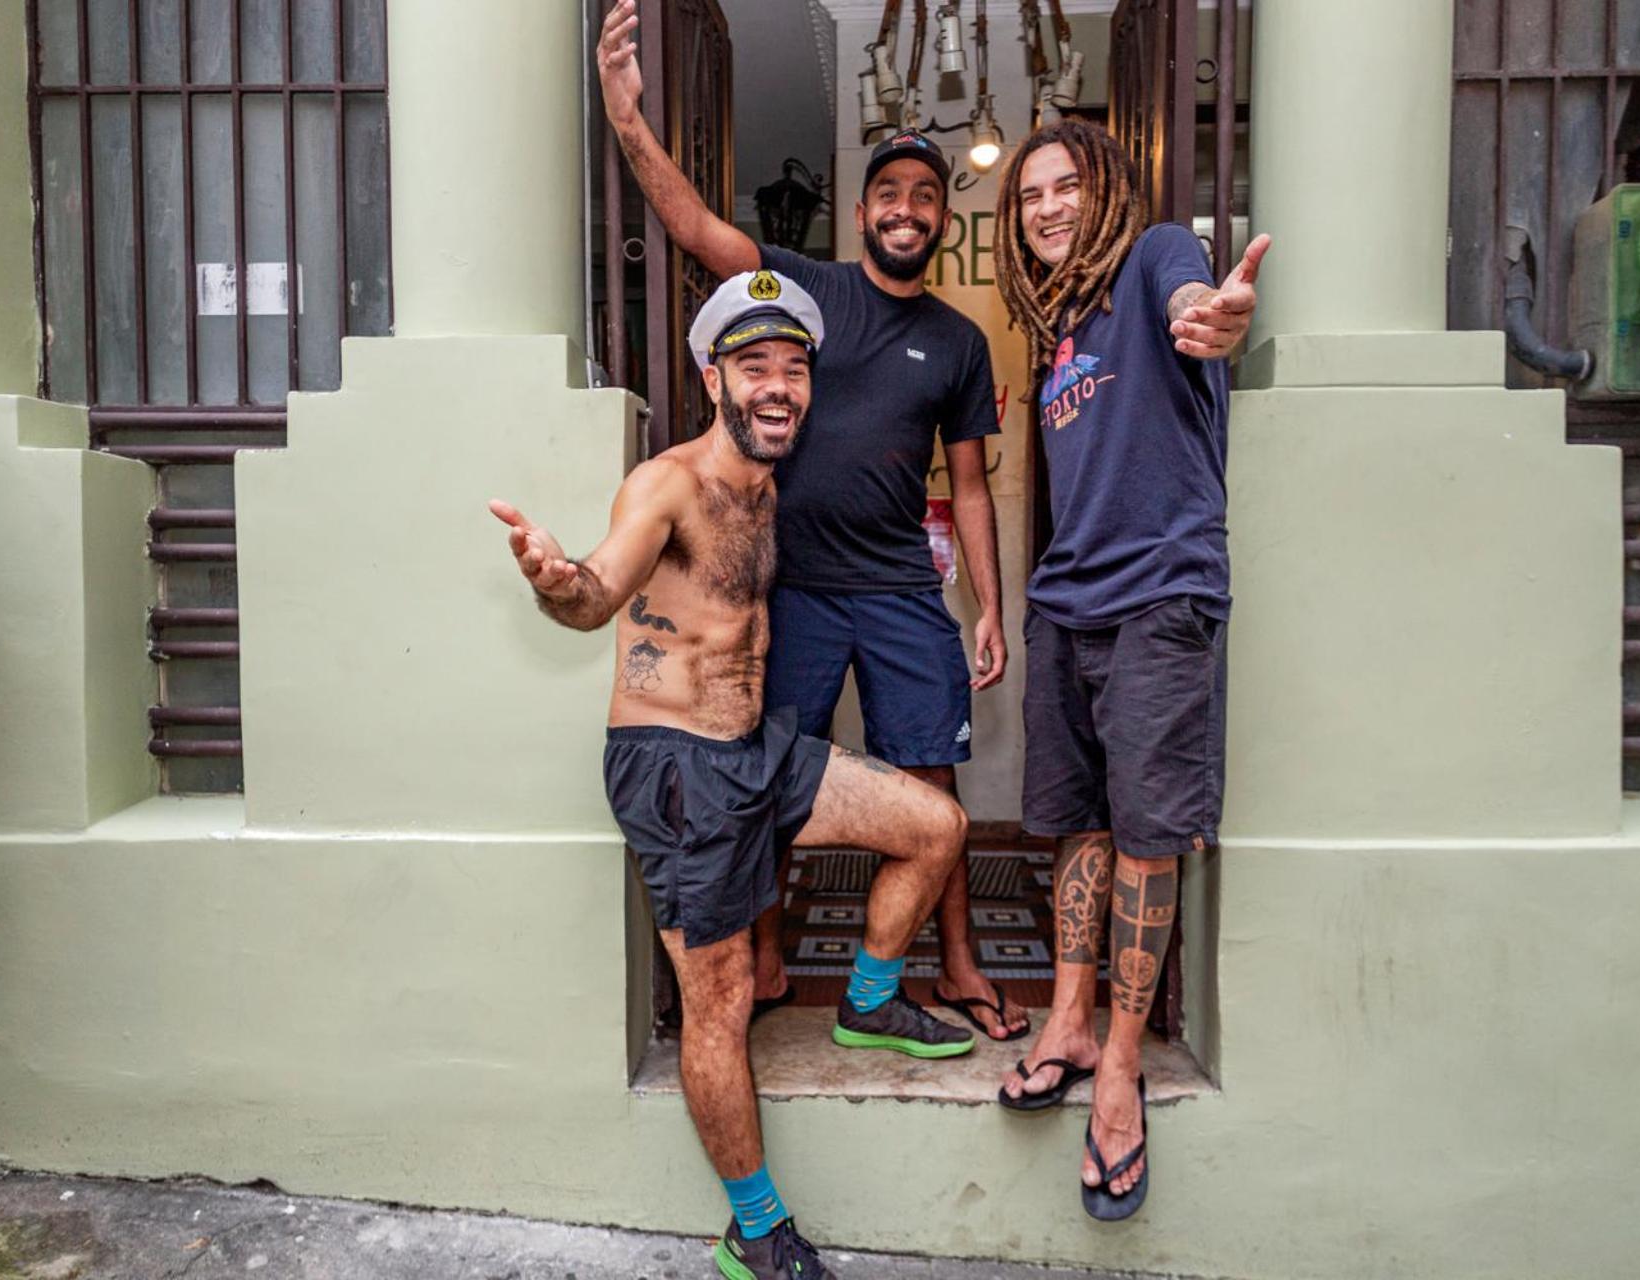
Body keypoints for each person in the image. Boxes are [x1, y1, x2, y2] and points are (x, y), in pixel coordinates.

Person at [490, 271, 974, 1279]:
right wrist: (557, 579)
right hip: (676, 770)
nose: (779, 386)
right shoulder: (669, 482)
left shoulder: (768, 484)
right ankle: (756, 1227)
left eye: (795, 369)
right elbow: (600, 589)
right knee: (721, 1000)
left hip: (756, 751)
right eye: (756, 367)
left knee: (934, 824)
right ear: (716, 376)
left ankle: (869, 997)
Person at [598, 0, 1028, 1041]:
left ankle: (957, 960)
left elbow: (967, 485)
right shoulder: (804, 289)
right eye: (890, 190)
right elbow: (698, 231)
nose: (908, 207)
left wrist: (989, 606)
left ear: (942, 217)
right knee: (764, 767)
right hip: (790, 587)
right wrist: (627, 122)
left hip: (898, 592)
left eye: (927, 194)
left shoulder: (960, 345)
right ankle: (767, 955)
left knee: (932, 778)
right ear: (864, 209)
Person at [988, 119, 1270, 1221]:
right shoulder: (1055, 326)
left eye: (1066, 187)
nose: (1048, 207)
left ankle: (1117, 1060)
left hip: (1162, 594)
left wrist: (1215, 318)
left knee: (1151, 832)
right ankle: (1064, 1014)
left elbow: (1200, 312)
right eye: (1029, 195)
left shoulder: (1157, 254)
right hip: (1069, 602)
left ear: (1107, 192)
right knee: (1077, 821)